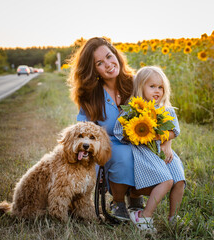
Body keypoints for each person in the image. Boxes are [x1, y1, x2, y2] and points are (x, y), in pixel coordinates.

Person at [67, 37, 143, 221]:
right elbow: (82, 127)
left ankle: (135, 198)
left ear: (116, 55)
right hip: (109, 143)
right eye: (100, 63)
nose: (109, 65)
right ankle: (118, 202)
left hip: (139, 139)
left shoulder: (135, 83)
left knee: (142, 153)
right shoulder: (91, 95)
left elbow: (157, 107)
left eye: (109, 57)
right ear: (94, 70)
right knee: (123, 155)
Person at [114, 66, 186, 232]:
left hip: (163, 151)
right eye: (152, 86)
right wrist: (138, 133)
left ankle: (173, 217)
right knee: (166, 181)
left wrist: (162, 139)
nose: (157, 91)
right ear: (140, 87)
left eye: (160, 87)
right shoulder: (133, 110)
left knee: (179, 180)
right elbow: (120, 132)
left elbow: (174, 131)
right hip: (144, 152)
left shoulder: (166, 109)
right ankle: (144, 216)